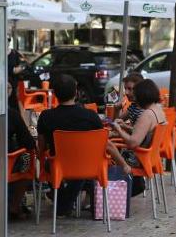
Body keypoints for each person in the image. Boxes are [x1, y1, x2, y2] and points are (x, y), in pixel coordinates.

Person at [37, 74, 130, 216]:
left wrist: (40, 159)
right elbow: (107, 145)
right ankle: (64, 203)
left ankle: (62, 202)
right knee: (82, 168)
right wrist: (123, 164)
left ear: (55, 94)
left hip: (58, 165)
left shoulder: (45, 116)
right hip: (88, 166)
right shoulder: (90, 116)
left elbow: (41, 148)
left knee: (50, 165)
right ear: (76, 92)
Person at [110, 79, 166, 195]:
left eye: (136, 96)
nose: (134, 98)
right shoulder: (158, 110)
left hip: (137, 159)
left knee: (105, 157)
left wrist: (119, 130)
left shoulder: (147, 115)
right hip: (150, 157)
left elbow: (132, 143)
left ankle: (107, 196)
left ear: (142, 96)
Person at [7, 82, 36, 220]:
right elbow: (29, 143)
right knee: (27, 159)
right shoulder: (10, 114)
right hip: (7, 162)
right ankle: (15, 204)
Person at [7, 37, 26, 110]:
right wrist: (12, 70)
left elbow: (24, 63)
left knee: (13, 105)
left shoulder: (15, 53)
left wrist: (19, 69)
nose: (7, 41)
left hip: (13, 84)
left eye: (9, 40)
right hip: (1, 84)